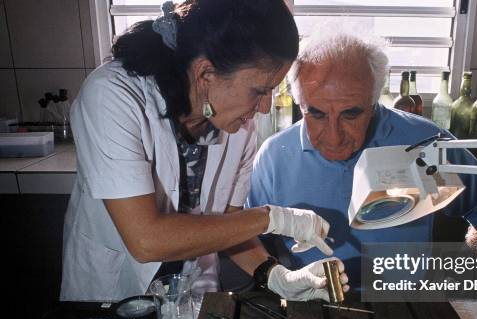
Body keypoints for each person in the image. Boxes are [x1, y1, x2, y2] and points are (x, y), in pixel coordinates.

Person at [61, 0, 348, 302]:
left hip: (193, 296)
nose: (264, 107)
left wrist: (275, 276)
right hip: (112, 298)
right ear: (205, 74)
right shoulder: (113, 96)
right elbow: (146, 240)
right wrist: (273, 218)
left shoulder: (239, 126)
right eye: (260, 91)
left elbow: (229, 225)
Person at [247, 28, 477, 284]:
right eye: (315, 114)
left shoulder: (427, 143)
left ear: (374, 101)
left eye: (351, 114)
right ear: (299, 101)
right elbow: (248, 237)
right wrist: (277, 281)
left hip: (403, 307)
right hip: (309, 308)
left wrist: (459, 279)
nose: (333, 136)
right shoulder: (274, 157)